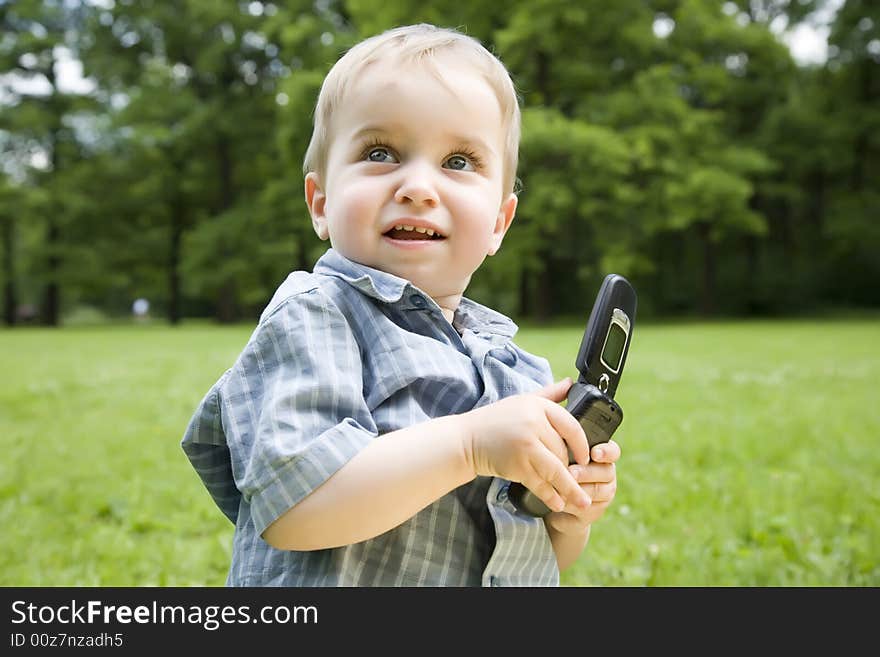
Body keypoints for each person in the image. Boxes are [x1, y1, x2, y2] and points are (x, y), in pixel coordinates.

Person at [181, 23, 621, 586]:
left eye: (459, 161)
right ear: (320, 202)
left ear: (498, 224)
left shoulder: (517, 374)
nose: (418, 186)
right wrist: (470, 445)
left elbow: (525, 561)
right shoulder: (316, 317)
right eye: (380, 152)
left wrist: (564, 513)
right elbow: (295, 510)